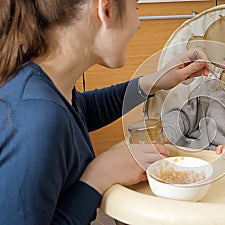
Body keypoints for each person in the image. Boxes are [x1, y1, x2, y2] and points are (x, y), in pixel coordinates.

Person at [0, 0, 208, 224]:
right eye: (135, 7)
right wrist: (98, 176)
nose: (137, 23)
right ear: (106, 10)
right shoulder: (36, 120)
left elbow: (81, 111)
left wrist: (153, 82)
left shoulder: (44, 83)